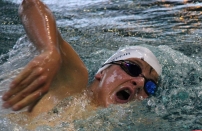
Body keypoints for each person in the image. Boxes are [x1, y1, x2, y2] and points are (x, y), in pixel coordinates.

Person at [1, 0, 162, 118]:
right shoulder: (72, 84)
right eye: (132, 68)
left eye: (150, 86)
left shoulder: (110, 129)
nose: (140, 83)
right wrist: (50, 50)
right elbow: (31, 5)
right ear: (102, 72)